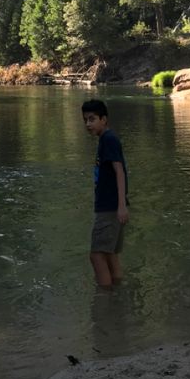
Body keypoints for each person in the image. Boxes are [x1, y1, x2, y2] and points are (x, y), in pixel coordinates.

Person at [81, 98, 129, 287]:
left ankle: (105, 301)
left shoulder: (109, 139)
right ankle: (117, 295)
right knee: (110, 254)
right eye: (85, 120)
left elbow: (120, 171)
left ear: (104, 119)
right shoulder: (106, 139)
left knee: (96, 255)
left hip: (109, 208)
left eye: (92, 119)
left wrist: (121, 206)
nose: (88, 124)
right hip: (111, 206)